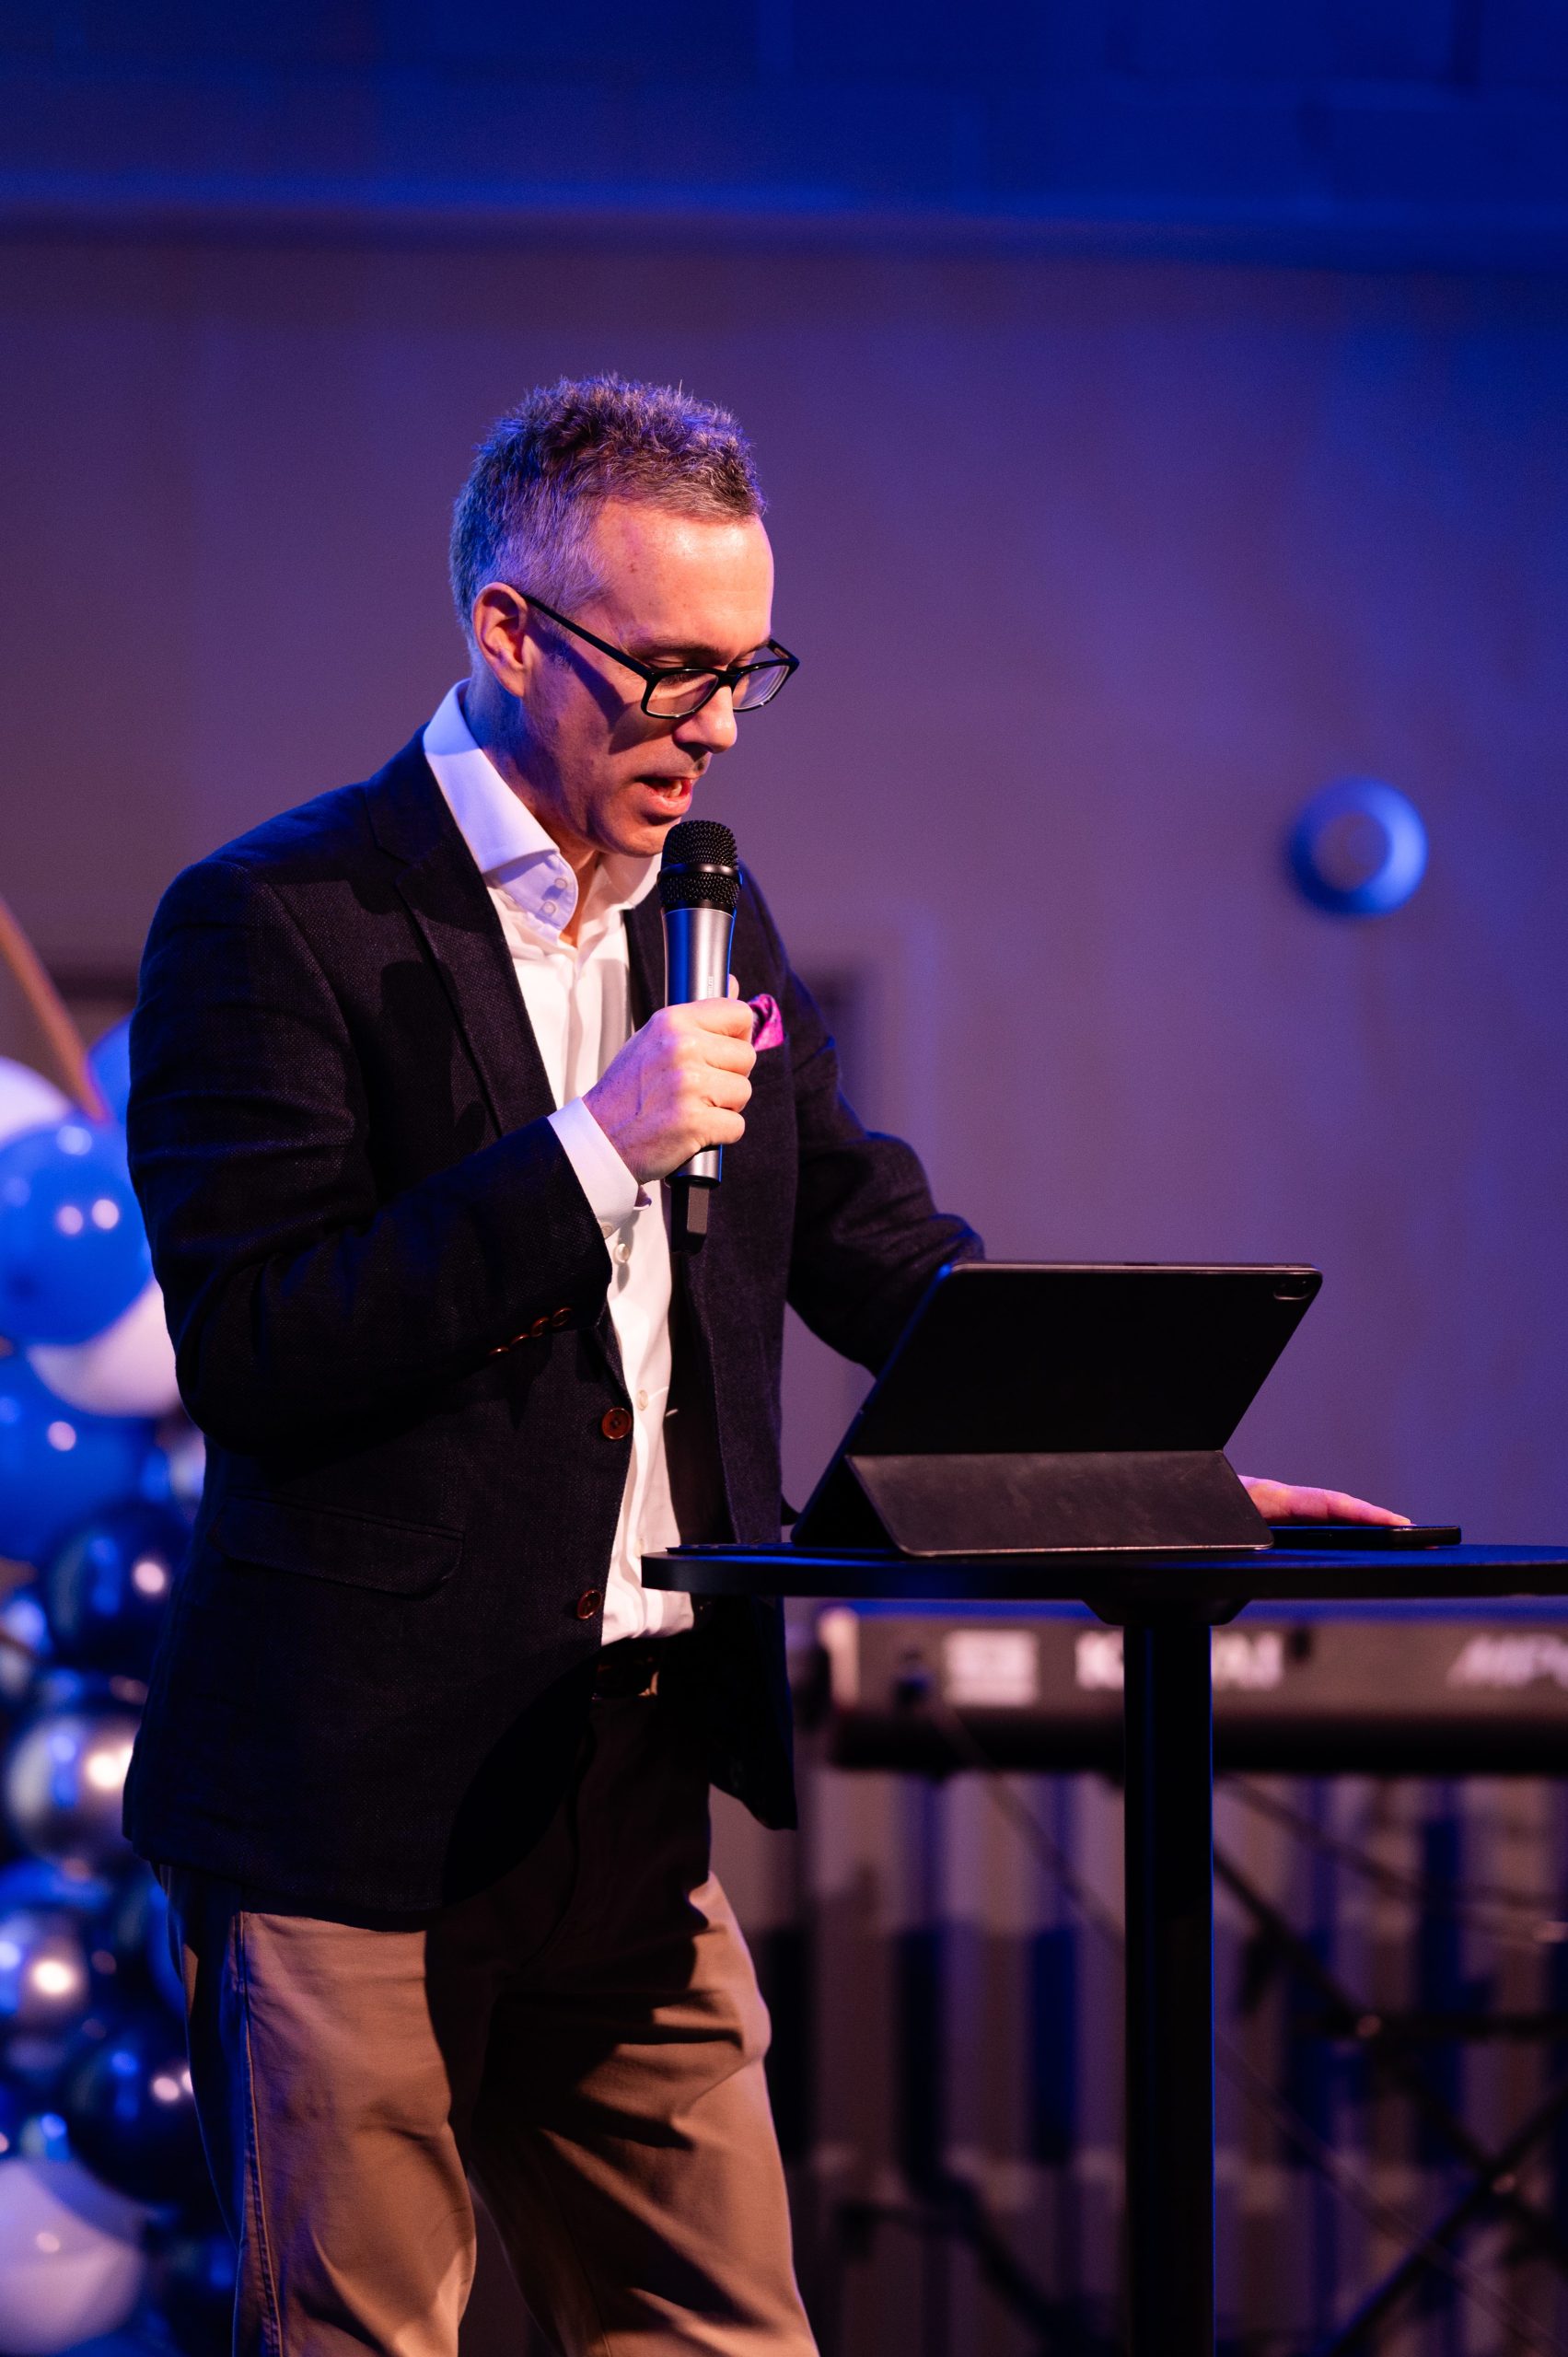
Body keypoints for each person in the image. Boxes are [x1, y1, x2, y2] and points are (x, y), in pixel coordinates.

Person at [123, 374, 1403, 2357]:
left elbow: (862, 1231)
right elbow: (263, 1346)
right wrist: (594, 1148)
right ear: (509, 631)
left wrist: (1135, 1457)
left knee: (729, 2336)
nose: (716, 724)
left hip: (633, 1786)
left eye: (749, 672)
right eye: (673, 672)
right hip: (350, 1804)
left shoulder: (709, 910)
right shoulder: (273, 921)